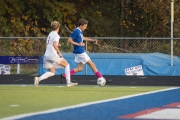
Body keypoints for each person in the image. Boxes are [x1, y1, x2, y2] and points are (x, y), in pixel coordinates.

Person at [34, 21, 78, 88]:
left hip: (46, 56)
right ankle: (68, 82)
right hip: (53, 55)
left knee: (52, 72)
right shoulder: (56, 35)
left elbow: (50, 44)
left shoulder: (50, 34)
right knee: (67, 65)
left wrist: (57, 45)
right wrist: (59, 52)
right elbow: (54, 44)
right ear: (58, 27)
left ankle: (38, 79)